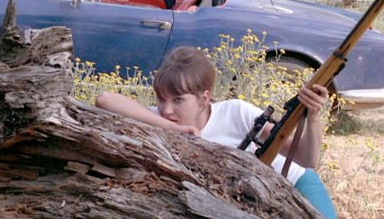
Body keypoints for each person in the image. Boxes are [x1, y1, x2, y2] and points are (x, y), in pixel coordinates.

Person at [95, 46, 337, 218]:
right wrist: (172, 127)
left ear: (204, 97)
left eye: (178, 99)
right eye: (161, 99)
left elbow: (307, 159)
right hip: (251, 202)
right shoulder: (162, 119)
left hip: (295, 183)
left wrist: (313, 115)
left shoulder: (236, 112)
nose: (167, 109)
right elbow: (104, 99)